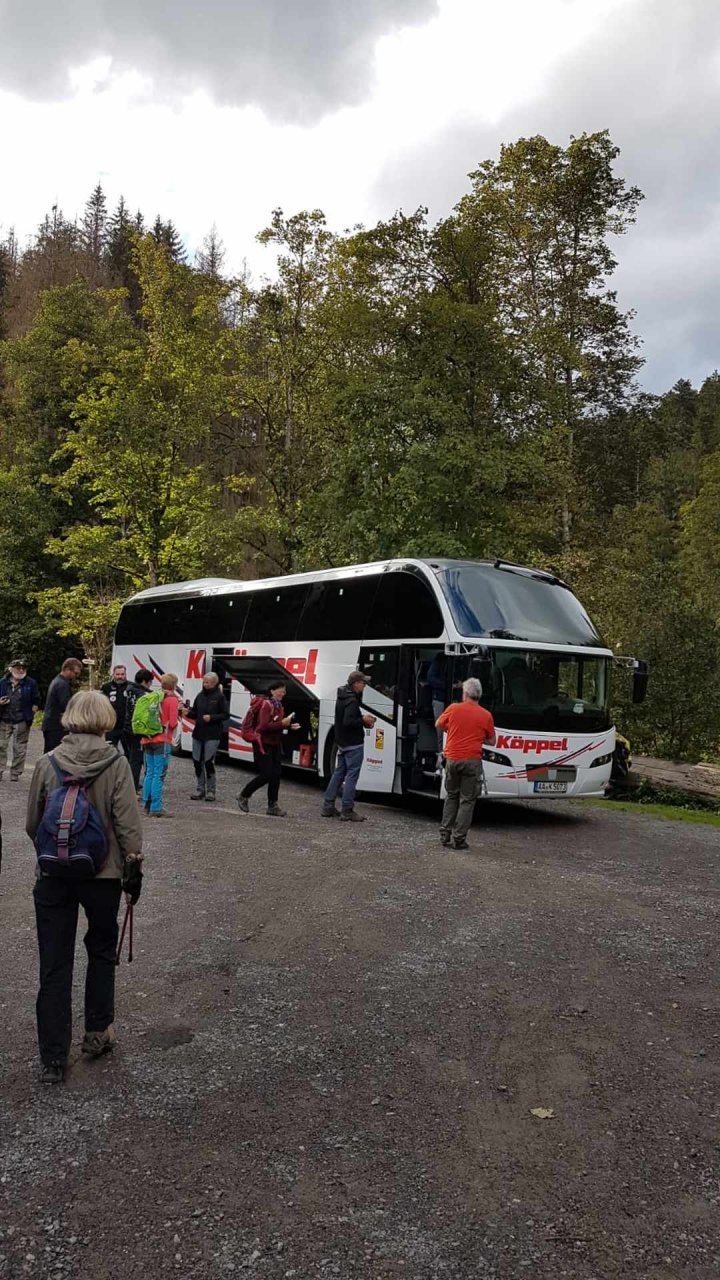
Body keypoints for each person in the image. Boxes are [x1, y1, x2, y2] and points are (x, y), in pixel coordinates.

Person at [26, 690, 143, 1085]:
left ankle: (53, 1059)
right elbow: (127, 824)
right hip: (103, 877)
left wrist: (55, 855)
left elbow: (33, 823)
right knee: (100, 952)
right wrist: (132, 868)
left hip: (55, 876)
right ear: (106, 719)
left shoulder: (47, 762)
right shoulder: (117, 762)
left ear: (70, 718)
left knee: (54, 964)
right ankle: (97, 1033)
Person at [436, 677, 496, 851]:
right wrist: (477, 737)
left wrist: (452, 730)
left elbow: (439, 724)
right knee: (467, 800)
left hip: (452, 759)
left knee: (452, 796)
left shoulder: (453, 708)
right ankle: (459, 839)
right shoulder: (486, 715)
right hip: (472, 761)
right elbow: (492, 741)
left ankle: (444, 833)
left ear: (466, 693)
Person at [237, 680, 300, 817]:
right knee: (266, 775)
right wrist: (282, 724)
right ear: (272, 691)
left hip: (275, 743)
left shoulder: (279, 706)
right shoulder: (266, 705)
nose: (283, 693)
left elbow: (276, 724)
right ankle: (244, 795)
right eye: (280, 691)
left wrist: (288, 726)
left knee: (276, 775)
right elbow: (263, 727)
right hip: (262, 743)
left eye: (284, 691)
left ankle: (272, 805)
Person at [321, 671, 376, 823]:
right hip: (353, 744)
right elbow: (349, 721)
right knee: (352, 776)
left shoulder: (342, 695)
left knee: (338, 773)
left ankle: (328, 806)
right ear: (356, 683)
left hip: (342, 742)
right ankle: (347, 810)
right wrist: (363, 720)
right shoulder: (352, 701)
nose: (364, 685)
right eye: (363, 682)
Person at [140, 673, 180, 818]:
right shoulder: (172, 700)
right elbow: (174, 722)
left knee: (149, 772)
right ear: (174, 685)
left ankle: (146, 804)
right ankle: (156, 807)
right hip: (162, 740)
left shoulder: (154, 696)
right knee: (159, 773)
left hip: (147, 738)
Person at [187, 672, 228, 802]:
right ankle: (200, 789)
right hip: (198, 733)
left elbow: (226, 715)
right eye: (204, 682)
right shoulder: (199, 696)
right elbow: (195, 713)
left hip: (212, 734)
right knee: (197, 762)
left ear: (214, 683)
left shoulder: (219, 697)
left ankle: (211, 791)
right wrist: (187, 713)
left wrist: (212, 718)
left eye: (207, 682)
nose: (205, 684)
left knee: (209, 762)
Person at [0, 659, 40, 781]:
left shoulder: (31, 683)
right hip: (4, 718)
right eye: (18, 668)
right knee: (1, 746)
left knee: (19, 748)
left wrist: (34, 708)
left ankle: (15, 773)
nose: (21, 670)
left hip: (22, 719)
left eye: (23, 668)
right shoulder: (2, 682)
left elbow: (36, 699)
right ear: (11, 669)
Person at [122, 668, 154, 794]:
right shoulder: (143, 695)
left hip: (126, 727)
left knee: (131, 757)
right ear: (146, 681)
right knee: (136, 760)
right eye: (150, 681)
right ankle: (132, 788)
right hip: (137, 730)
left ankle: (130, 784)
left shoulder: (128, 689)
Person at [42, 659, 83, 753]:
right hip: (56, 725)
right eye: (75, 673)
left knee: (50, 752)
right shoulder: (62, 684)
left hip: (51, 724)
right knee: (55, 752)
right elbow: (66, 704)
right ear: (68, 669)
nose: (76, 676)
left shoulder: (57, 681)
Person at [100, 664, 129, 752]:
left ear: (125, 674)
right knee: (109, 751)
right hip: (111, 726)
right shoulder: (106, 687)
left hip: (126, 726)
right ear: (113, 674)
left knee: (129, 752)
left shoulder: (131, 687)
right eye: (118, 674)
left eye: (122, 674)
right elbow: (101, 704)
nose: (120, 677)